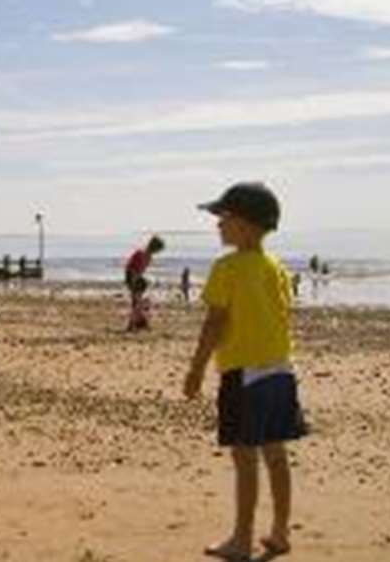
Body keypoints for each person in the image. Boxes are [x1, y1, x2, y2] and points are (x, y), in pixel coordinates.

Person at [183, 182, 306, 561]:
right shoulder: (275, 266)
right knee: (275, 453)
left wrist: (196, 369)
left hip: (244, 374)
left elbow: (215, 323)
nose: (218, 224)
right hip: (281, 370)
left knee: (244, 457)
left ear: (248, 225)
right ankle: (280, 532)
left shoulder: (228, 267)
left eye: (224, 217)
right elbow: (282, 313)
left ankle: (242, 539)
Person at [124, 235, 165, 330]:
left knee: (137, 303)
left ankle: (140, 323)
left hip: (137, 278)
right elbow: (132, 269)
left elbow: (139, 270)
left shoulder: (148, 256)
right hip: (133, 278)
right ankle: (133, 324)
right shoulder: (141, 254)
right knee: (137, 303)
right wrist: (134, 282)